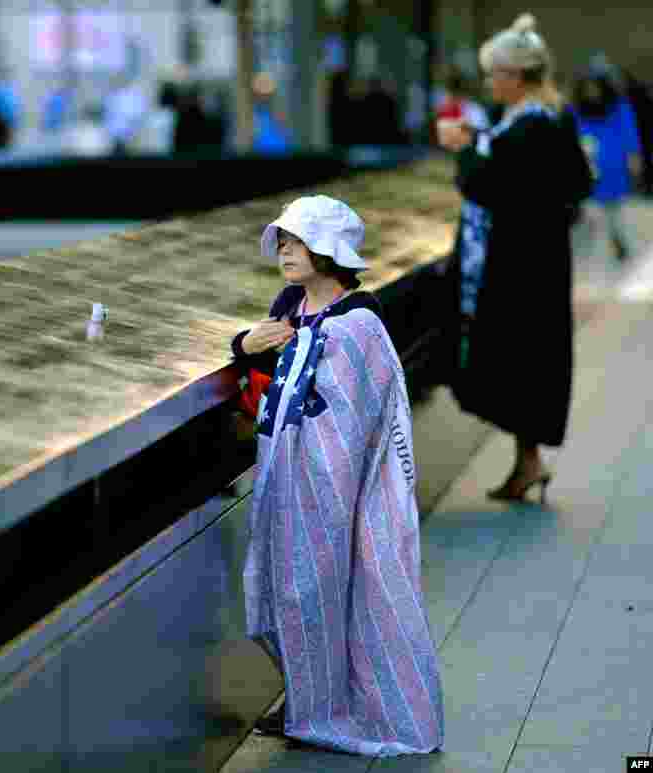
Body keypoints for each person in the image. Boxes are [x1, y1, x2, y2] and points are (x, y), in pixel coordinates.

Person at [230, 196, 445, 756]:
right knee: (290, 591)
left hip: (340, 488)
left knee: (339, 589)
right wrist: (244, 346)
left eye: (295, 241)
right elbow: (270, 370)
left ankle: (340, 708)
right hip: (288, 479)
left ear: (327, 250)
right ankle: (308, 703)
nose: (284, 251)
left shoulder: (362, 320)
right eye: (281, 241)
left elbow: (359, 410)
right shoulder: (289, 305)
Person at [436, 13, 593, 502]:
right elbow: (575, 182)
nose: (488, 83)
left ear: (513, 76)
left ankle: (527, 464)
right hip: (540, 260)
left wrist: (463, 151)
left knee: (518, 359)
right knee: (531, 358)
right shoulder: (551, 118)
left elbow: (488, 186)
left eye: (493, 74)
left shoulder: (529, 128)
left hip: (520, 266)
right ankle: (528, 463)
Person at [569, 70, 645, 260]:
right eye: (587, 89)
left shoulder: (619, 107)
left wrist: (633, 155)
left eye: (594, 88)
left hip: (616, 162)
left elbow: (630, 132)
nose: (591, 92)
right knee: (596, 211)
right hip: (591, 164)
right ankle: (606, 245)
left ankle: (621, 240)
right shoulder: (576, 111)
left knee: (619, 206)